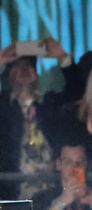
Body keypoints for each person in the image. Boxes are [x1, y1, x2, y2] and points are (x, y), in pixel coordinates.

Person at [0, 37, 84, 199]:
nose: (24, 70)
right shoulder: (4, 107)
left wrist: (62, 57)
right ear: (9, 77)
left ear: (36, 75)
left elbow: (78, 90)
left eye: (29, 66)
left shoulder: (49, 104)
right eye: (17, 66)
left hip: (51, 190)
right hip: (13, 191)